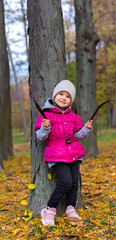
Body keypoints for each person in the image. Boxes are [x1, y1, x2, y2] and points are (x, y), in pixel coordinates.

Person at [35, 80, 93, 226]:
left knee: (74, 183)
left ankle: (70, 208)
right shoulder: (45, 116)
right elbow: (41, 136)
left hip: (73, 153)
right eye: (61, 94)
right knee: (65, 182)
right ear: (54, 96)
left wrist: (86, 129)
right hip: (56, 154)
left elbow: (78, 135)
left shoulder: (74, 117)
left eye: (68, 96)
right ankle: (49, 209)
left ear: (71, 101)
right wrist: (45, 127)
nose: (64, 98)